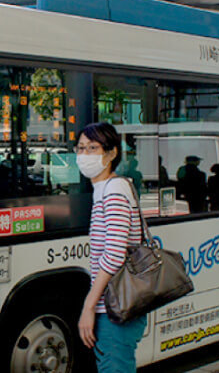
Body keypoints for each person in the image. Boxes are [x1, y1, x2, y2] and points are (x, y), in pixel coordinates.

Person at [76, 122, 147, 372]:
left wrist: (89, 306)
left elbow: (115, 255)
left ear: (112, 153)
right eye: (81, 148)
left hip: (115, 310)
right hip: (114, 307)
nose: (85, 155)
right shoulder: (105, 189)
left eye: (93, 147)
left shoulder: (114, 190)